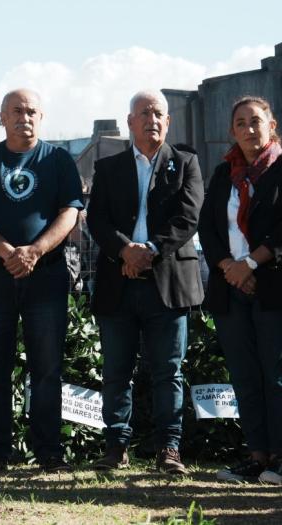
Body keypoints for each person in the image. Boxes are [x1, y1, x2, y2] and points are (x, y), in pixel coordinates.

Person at [0, 89, 82, 472]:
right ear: (1, 117)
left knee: (46, 370)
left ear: (41, 117)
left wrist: (34, 251)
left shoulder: (59, 159)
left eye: (31, 111)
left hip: (46, 276)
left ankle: (48, 452)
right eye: (16, 111)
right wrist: (8, 252)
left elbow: (70, 213)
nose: (23, 118)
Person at [87, 90, 203, 476]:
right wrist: (125, 252)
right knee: (117, 369)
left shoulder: (186, 163)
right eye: (144, 113)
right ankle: (115, 446)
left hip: (167, 282)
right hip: (119, 280)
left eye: (158, 114)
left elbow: (188, 217)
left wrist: (149, 250)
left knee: (168, 370)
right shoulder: (109, 167)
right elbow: (97, 219)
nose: (152, 119)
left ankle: (168, 449)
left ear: (167, 122)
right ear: (130, 122)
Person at [198, 96, 282, 484]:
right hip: (229, 288)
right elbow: (208, 228)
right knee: (245, 375)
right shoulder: (222, 173)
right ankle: (257, 455)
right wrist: (230, 268)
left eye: (256, 121)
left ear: (272, 125)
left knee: (275, 374)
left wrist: (250, 263)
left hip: (272, 288)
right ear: (232, 130)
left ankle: (279, 459)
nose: (250, 129)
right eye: (241, 123)